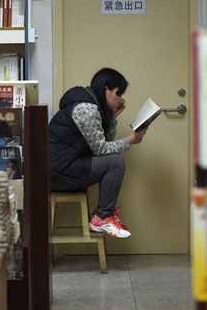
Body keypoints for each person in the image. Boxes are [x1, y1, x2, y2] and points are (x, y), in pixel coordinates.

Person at [48, 68, 147, 239]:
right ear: (106, 89)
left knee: (113, 160)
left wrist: (112, 117)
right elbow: (101, 150)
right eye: (118, 94)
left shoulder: (88, 105)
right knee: (116, 162)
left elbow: (103, 144)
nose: (120, 99)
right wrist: (129, 141)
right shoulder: (87, 109)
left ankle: (103, 215)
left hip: (61, 168)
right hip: (59, 173)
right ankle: (102, 217)